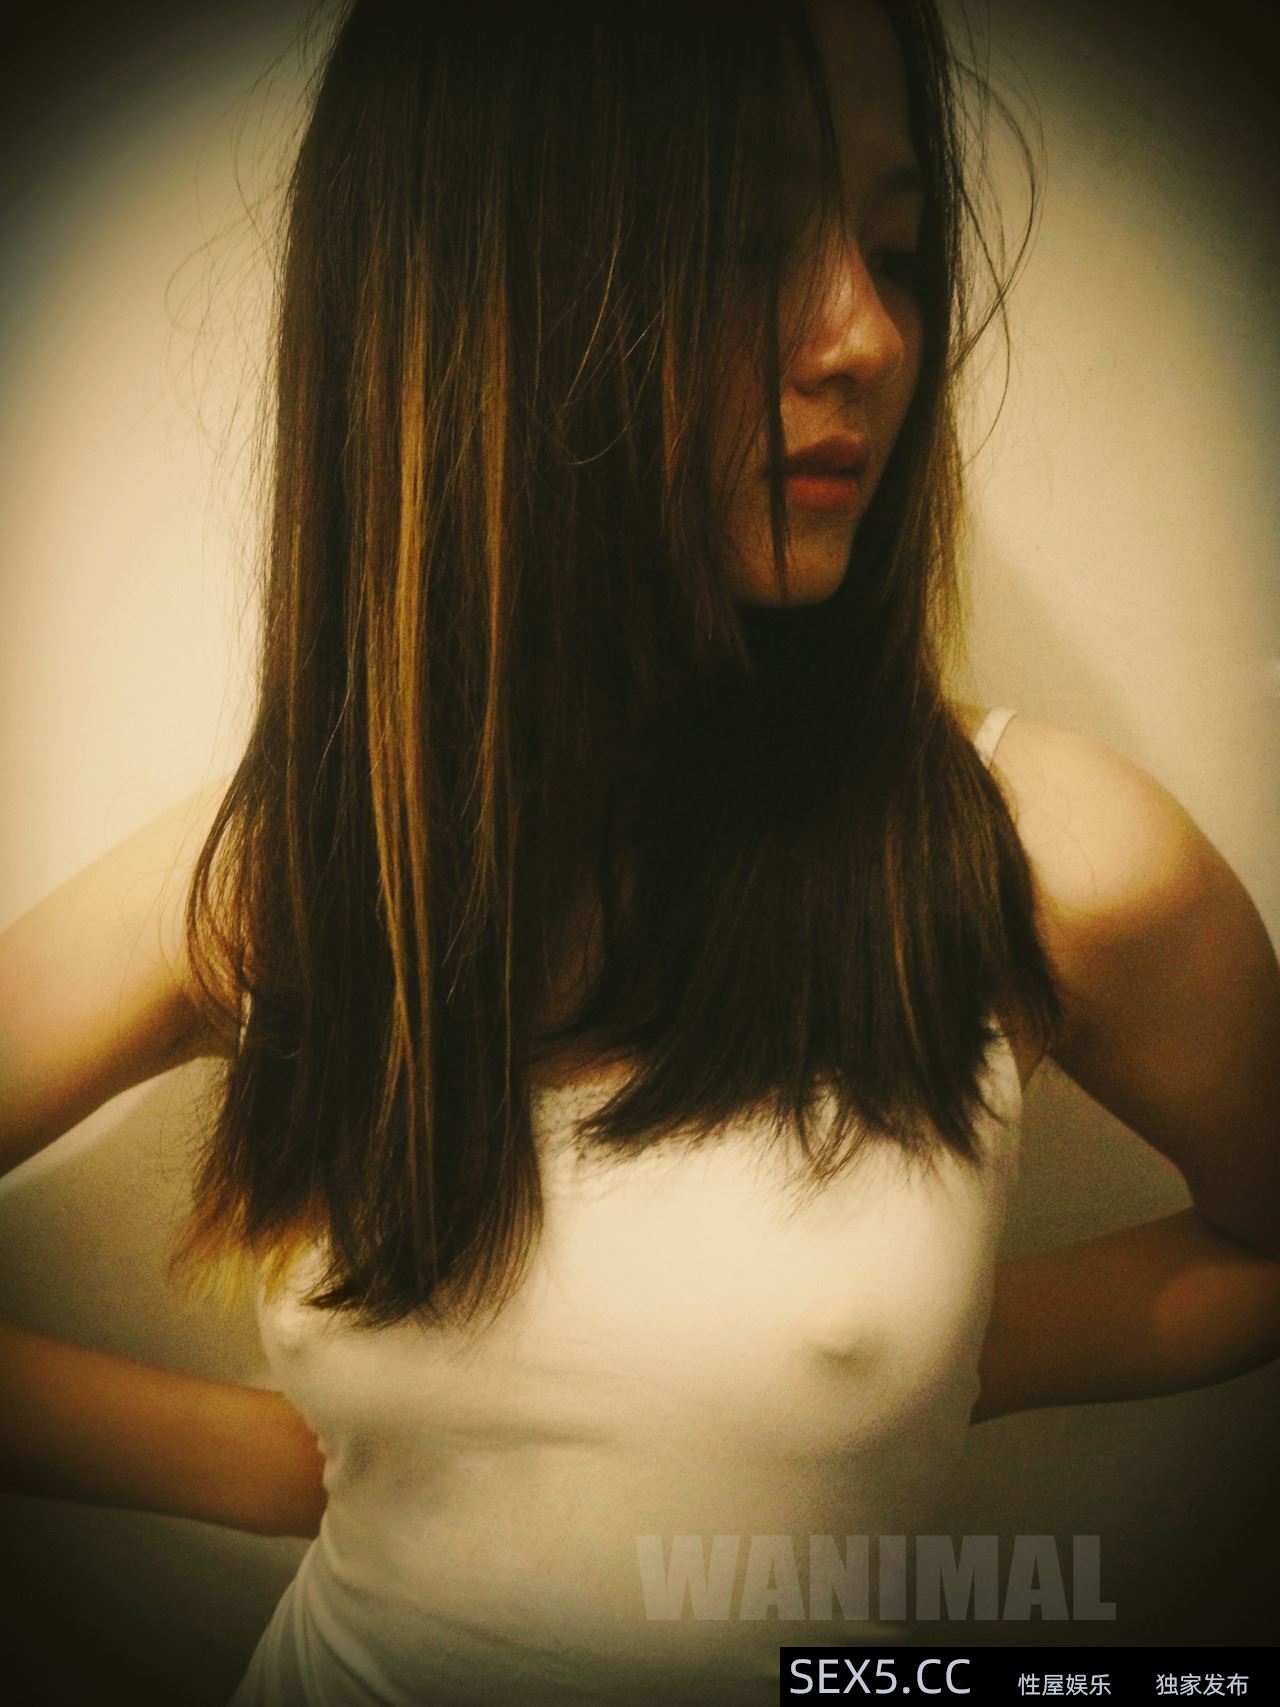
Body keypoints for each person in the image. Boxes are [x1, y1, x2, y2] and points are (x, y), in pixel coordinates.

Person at [1, 0, 1278, 1702]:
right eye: (746, 242)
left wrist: (933, 1362)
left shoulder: (1040, 862)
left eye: (898, 253)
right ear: (477, 308)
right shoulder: (305, 874)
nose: (869, 337)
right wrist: (269, 1464)